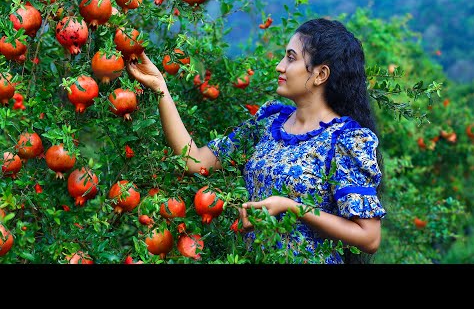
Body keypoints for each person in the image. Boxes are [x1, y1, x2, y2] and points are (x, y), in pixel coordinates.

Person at [126, 17, 386, 264]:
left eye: (291, 58)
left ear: (320, 74)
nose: (280, 66)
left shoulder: (345, 140)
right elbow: (193, 160)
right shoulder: (268, 123)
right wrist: (161, 88)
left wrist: (293, 208)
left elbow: (369, 237)